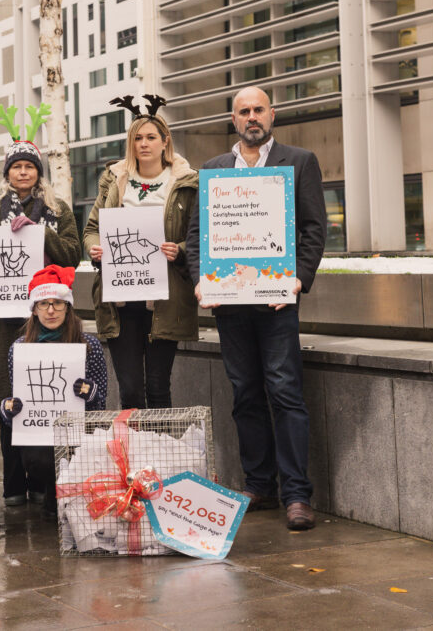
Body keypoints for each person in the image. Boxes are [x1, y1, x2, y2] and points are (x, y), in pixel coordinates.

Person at [186, 86, 327, 531]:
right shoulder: (213, 171)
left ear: (273, 114)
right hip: (230, 305)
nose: (252, 117)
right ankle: (259, 485)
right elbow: (196, 239)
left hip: (276, 301)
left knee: (285, 393)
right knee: (245, 394)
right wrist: (198, 283)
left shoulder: (298, 162)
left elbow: (313, 230)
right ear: (233, 119)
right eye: (244, 111)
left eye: (258, 110)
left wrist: (297, 280)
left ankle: (297, 495)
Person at [0, 107, 82, 507]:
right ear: (7, 173)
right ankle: (15, 482)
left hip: (46, 315)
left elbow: (72, 254)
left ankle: (50, 481)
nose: (22, 173)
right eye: (15, 167)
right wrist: (1, 235)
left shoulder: (58, 210)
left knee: (49, 394)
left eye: (29, 167)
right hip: (0, 317)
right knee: (6, 396)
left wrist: (40, 234)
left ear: (39, 172)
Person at [83, 95, 198, 409]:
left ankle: (160, 457)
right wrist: (94, 247)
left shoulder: (186, 183)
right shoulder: (114, 180)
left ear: (165, 142)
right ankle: (132, 456)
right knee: (131, 389)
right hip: (121, 301)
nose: (143, 144)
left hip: (165, 298)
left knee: (159, 387)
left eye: (150, 137)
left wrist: (181, 250)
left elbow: (199, 234)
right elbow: (92, 227)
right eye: (137, 138)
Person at [0, 265, 107, 519]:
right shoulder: (19, 348)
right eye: (43, 303)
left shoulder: (88, 345)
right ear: (34, 310)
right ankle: (50, 488)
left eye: (57, 303)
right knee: (38, 459)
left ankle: (60, 493)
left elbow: (102, 404)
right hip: (41, 429)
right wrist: (9, 408)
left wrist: (90, 394)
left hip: (79, 430)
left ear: (68, 307)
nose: (50, 310)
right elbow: (21, 398)